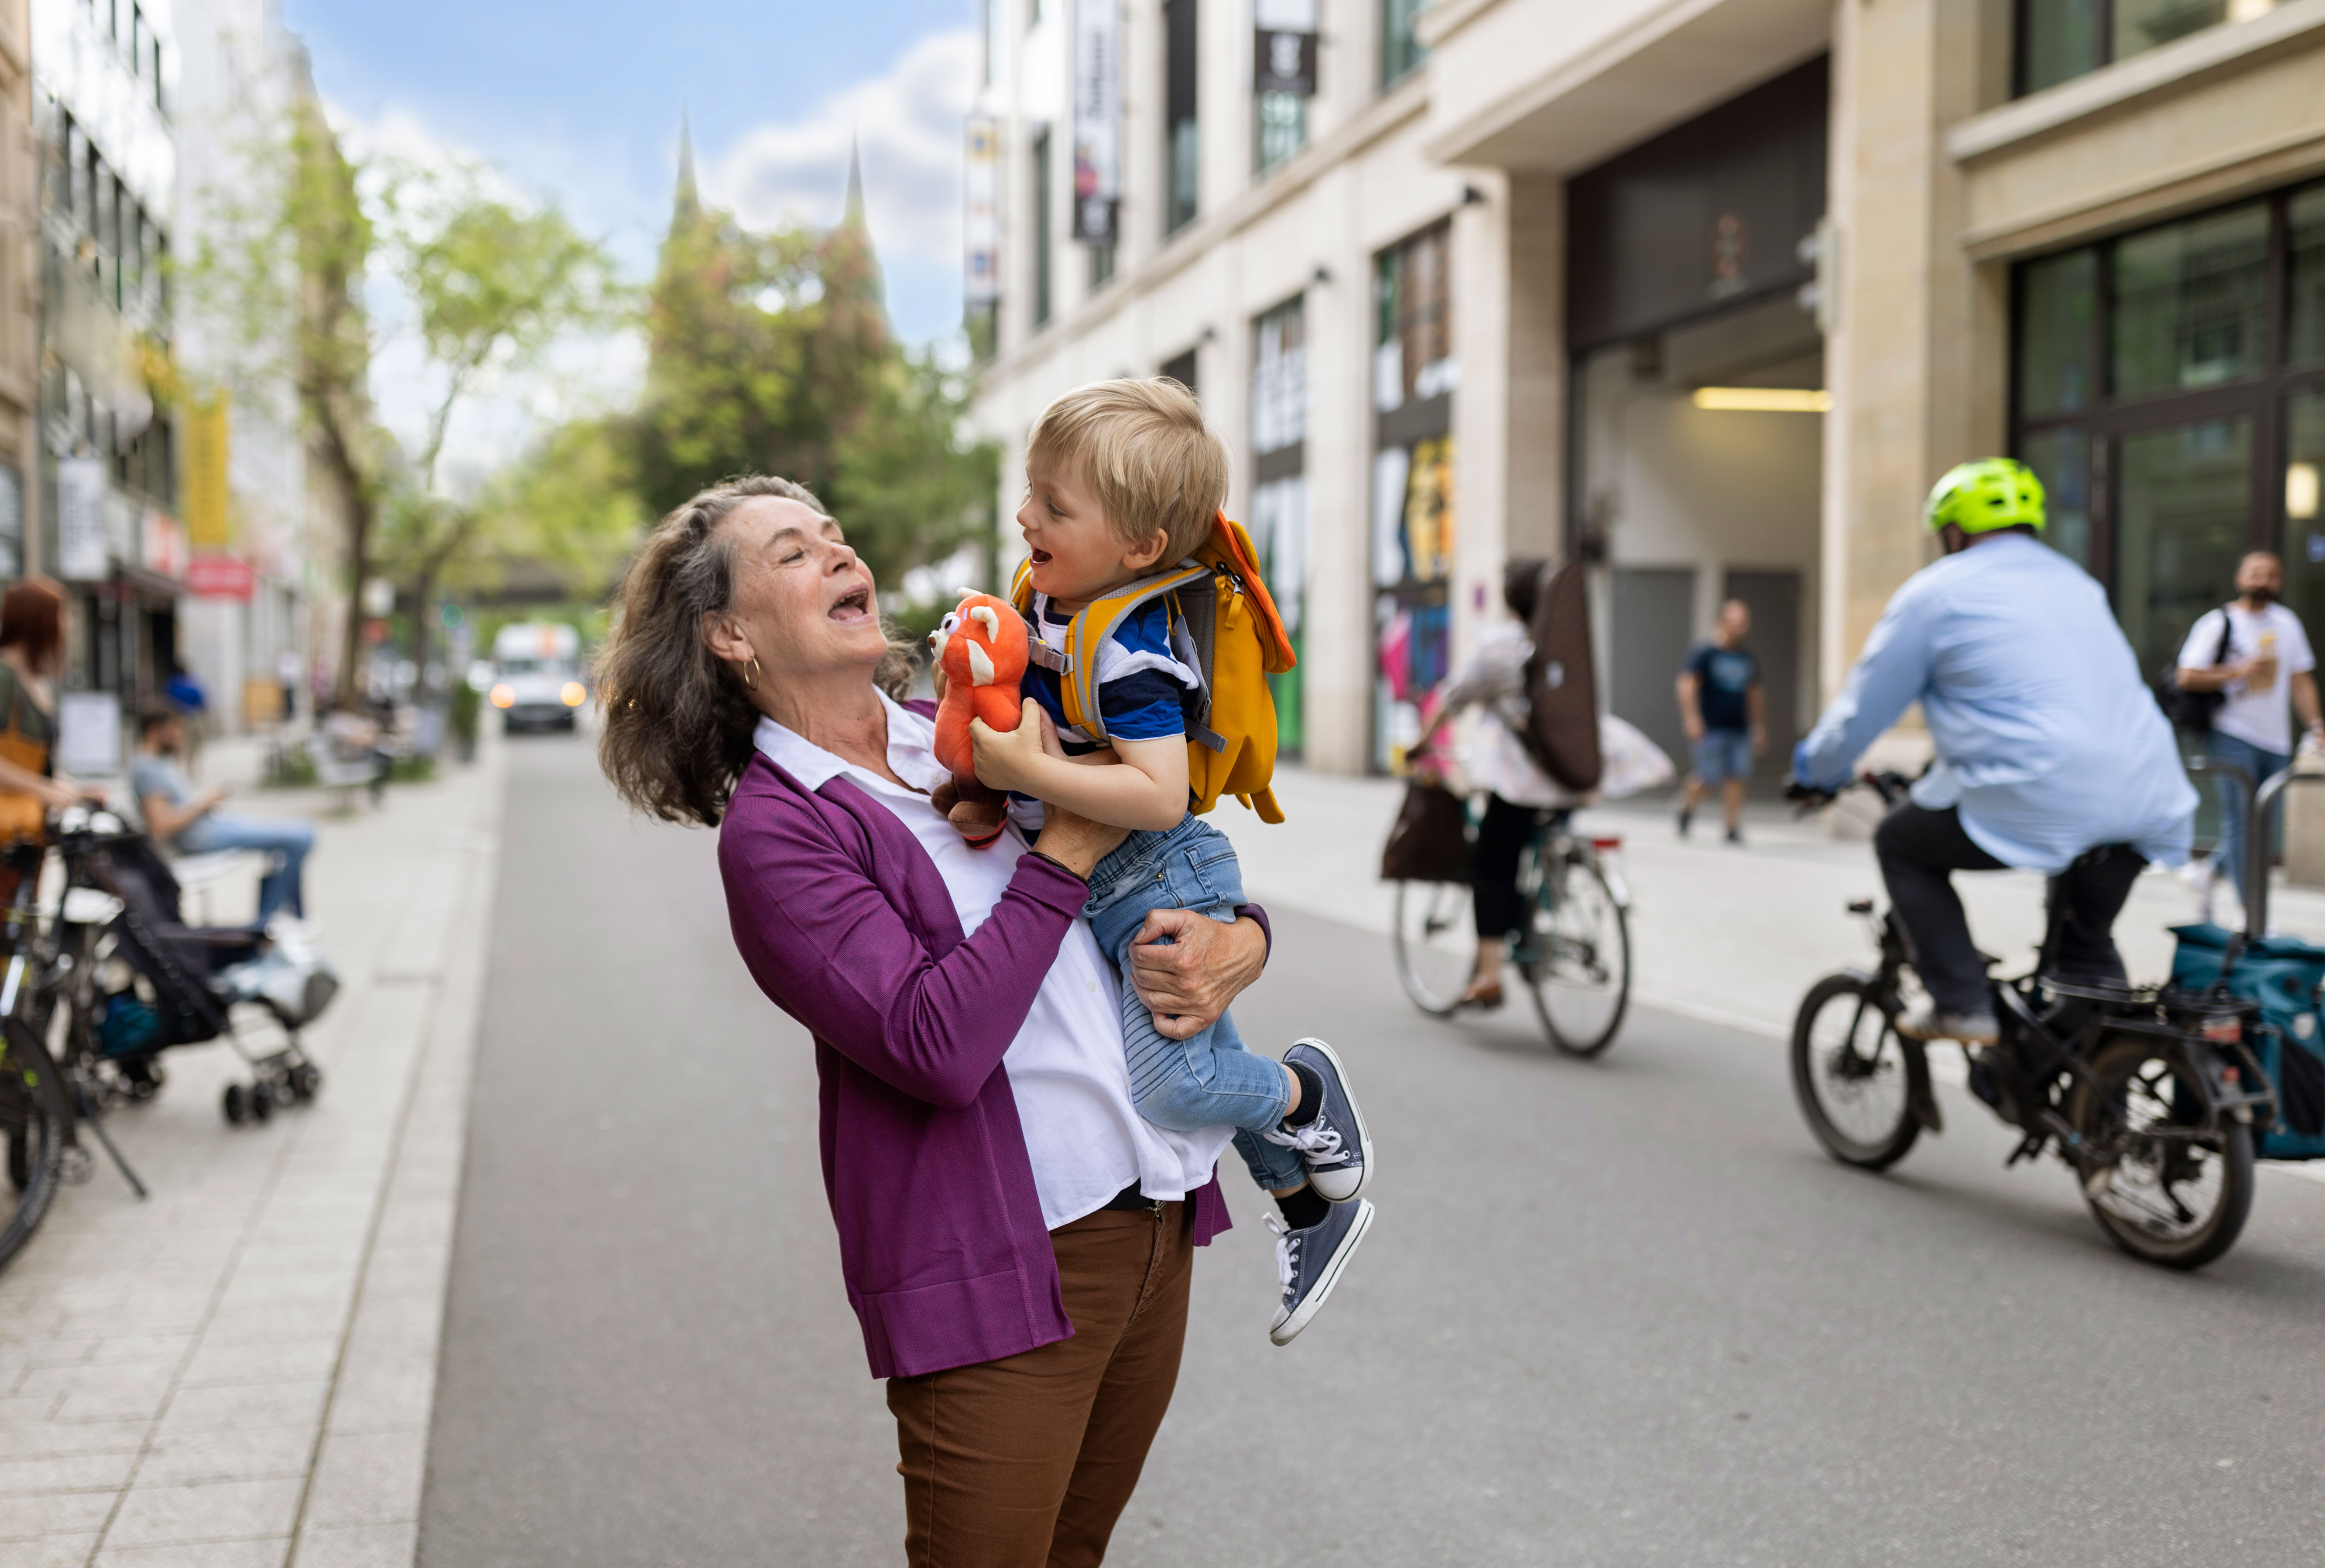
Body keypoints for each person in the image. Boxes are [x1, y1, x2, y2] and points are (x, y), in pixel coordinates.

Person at [596, 473, 1281, 1567]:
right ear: (728, 635)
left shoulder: (966, 738)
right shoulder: (778, 835)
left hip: (1149, 1219)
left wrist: (1242, 936)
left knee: (1075, 1553)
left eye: (834, 533)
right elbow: (933, 1043)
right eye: (791, 553)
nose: (836, 553)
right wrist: (1059, 853)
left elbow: (1158, 855)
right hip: (999, 1266)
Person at [979, 378, 1371, 1345]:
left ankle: (1303, 1093)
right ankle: (1309, 1208)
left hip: (1158, 879)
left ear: (1140, 550)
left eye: (1053, 506)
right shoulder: (1056, 604)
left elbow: (1158, 792)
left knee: (1171, 1086)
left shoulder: (1133, 651)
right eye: (1030, 492)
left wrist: (1024, 771)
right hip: (1121, 885)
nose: (1024, 516)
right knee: (1199, 1060)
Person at [1791, 458, 2195, 1048]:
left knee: (1900, 843)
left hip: (2044, 792)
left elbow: (1861, 709)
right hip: (2148, 793)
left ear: (1952, 532)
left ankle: (1960, 1002)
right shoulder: (2078, 584)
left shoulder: (1935, 592)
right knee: (2083, 944)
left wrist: (1814, 771)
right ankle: (2101, 1096)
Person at [1407, 560, 1673, 1009]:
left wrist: (1421, 744)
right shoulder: (1565, 645)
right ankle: (1542, 906)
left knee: (1491, 867)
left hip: (1520, 785)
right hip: (1570, 778)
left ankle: (1490, 975)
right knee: (1538, 844)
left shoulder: (1501, 648)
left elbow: (1454, 699)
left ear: (1511, 599)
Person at [2174, 551, 2322, 911]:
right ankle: (2252, 917)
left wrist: (2317, 725)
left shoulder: (2286, 623)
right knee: (2242, 825)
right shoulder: (2217, 623)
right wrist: (2236, 671)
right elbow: (2186, 676)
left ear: (2280, 581)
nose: (2262, 581)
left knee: (2262, 826)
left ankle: (2207, 871)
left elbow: (2301, 681)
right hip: (2230, 733)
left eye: (2271, 574)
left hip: (2275, 739)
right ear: (2240, 578)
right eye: (2255, 573)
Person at [0, 580, 104, 945]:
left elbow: (36, 767)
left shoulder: (33, 682)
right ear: (39, 621)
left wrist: (72, 790)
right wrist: (42, 789)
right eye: (62, 616)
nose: (68, 627)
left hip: (23, 837)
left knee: (15, 937)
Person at [129, 699, 316, 927]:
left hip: (213, 826)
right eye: (176, 728)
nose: (181, 735)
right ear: (157, 729)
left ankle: (290, 920)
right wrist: (204, 803)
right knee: (300, 839)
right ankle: (265, 926)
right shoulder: (147, 769)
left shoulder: (160, 762)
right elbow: (161, 827)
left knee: (301, 835)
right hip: (201, 838)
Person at [1675, 598, 1767, 844]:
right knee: (1708, 777)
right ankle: (1687, 804)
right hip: (1711, 727)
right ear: (1722, 623)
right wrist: (1693, 719)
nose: (1741, 629)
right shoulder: (1705, 653)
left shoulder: (1747, 656)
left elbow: (1754, 692)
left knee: (1737, 777)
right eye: (1736, 623)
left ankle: (1731, 826)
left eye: (1744, 624)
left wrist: (1758, 726)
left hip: (1739, 727)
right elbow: (1687, 686)